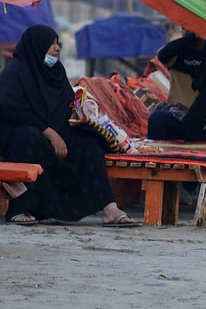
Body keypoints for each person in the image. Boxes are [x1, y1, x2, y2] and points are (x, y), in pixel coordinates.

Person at [0, 25, 139, 226]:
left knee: (89, 144)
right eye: (51, 44)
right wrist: (48, 132)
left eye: (58, 43)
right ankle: (19, 207)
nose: (57, 48)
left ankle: (109, 208)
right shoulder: (16, 72)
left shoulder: (56, 72)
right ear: (36, 46)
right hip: (20, 131)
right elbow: (10, 109)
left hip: (56, 130)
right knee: (28, 137)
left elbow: (65, 106)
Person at [147, 31, 206, 142]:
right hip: (179, 115)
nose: (187, 31)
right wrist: (194, 36)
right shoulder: (177, 53)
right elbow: (163, 55)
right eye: (185, 29)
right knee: (157, 119)